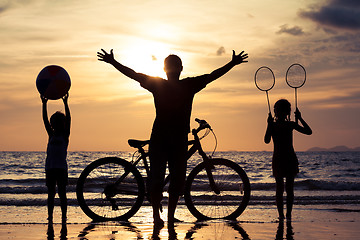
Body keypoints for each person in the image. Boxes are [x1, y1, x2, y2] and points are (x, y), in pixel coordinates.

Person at [97, 48, 248, 227]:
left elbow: (134, 74)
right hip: (175, 139)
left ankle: (156, 217)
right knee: (176, 180)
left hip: (160, 137)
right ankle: (168, 218)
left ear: (164, 69)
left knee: (158, 179)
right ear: (181, 68)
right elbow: (213, 75)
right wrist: (231, 63)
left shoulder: (158, 84)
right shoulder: (189, 85)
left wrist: (113, 62)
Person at [264, 99, 312, 221]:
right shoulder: (288, 124)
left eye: (277, 109)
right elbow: (308, 131)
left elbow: (266, 140)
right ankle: (285, 216)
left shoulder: (281, 125)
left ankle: (284, 216)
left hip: (282, 159)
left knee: (282, 190)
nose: (276, 111)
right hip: (286, 158)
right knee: (286, 190)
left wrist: (269, 124)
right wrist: (300, 118)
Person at [41, 93, 71, 223]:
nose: (56, 125)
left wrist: (65, 103)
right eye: (55, 123)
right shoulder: (51, 134)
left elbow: (69, 119)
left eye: (60, 123)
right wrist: (44, 103)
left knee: (62, 193)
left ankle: (64, 216)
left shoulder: (65, 136)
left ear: (63, 124)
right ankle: (50, 217)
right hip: (50, 168)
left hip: (61, 168)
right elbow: (44, 120)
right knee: (51, 193)